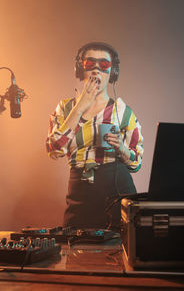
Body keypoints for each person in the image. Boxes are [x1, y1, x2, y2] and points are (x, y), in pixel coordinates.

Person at [46, 42, 144, 231]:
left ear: (112, 73)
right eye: (90, 64)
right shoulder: (65, 108)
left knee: (122, 250)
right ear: (80, 69)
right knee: (75, 250)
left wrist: (122, 149)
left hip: (118, 192)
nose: (97, 70)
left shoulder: (123, 112)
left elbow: (136, 163)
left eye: (104, 65)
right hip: (80, 193)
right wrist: (81, 106)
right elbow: (54, 150)